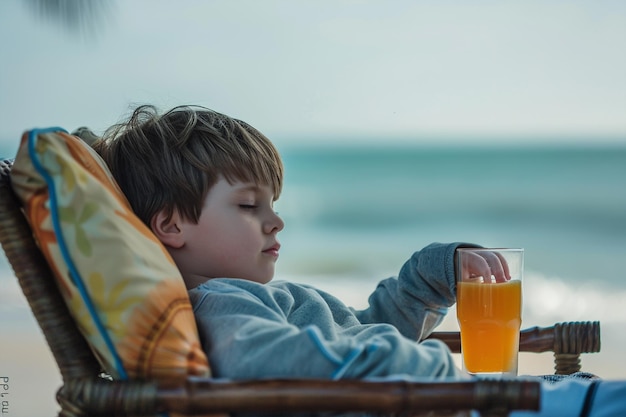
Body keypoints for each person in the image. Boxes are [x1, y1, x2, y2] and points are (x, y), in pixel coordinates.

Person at [93, 104, 625, 417]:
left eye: (273, 205)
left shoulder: (263, 299)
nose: (275, 222)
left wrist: (436, 271)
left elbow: (365, 333)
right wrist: (437, 373)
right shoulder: (220, 307)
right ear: (171, 225)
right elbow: (291, 365)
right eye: (249, 206)